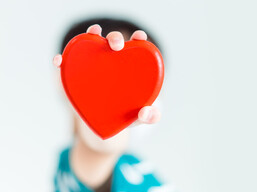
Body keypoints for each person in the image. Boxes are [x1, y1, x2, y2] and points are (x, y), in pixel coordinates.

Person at [52, 18, 171, 192]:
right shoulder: (74, 165)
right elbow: (102, 147)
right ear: (63, 81)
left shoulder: (135, 164)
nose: (127, 88)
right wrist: (111, 115)